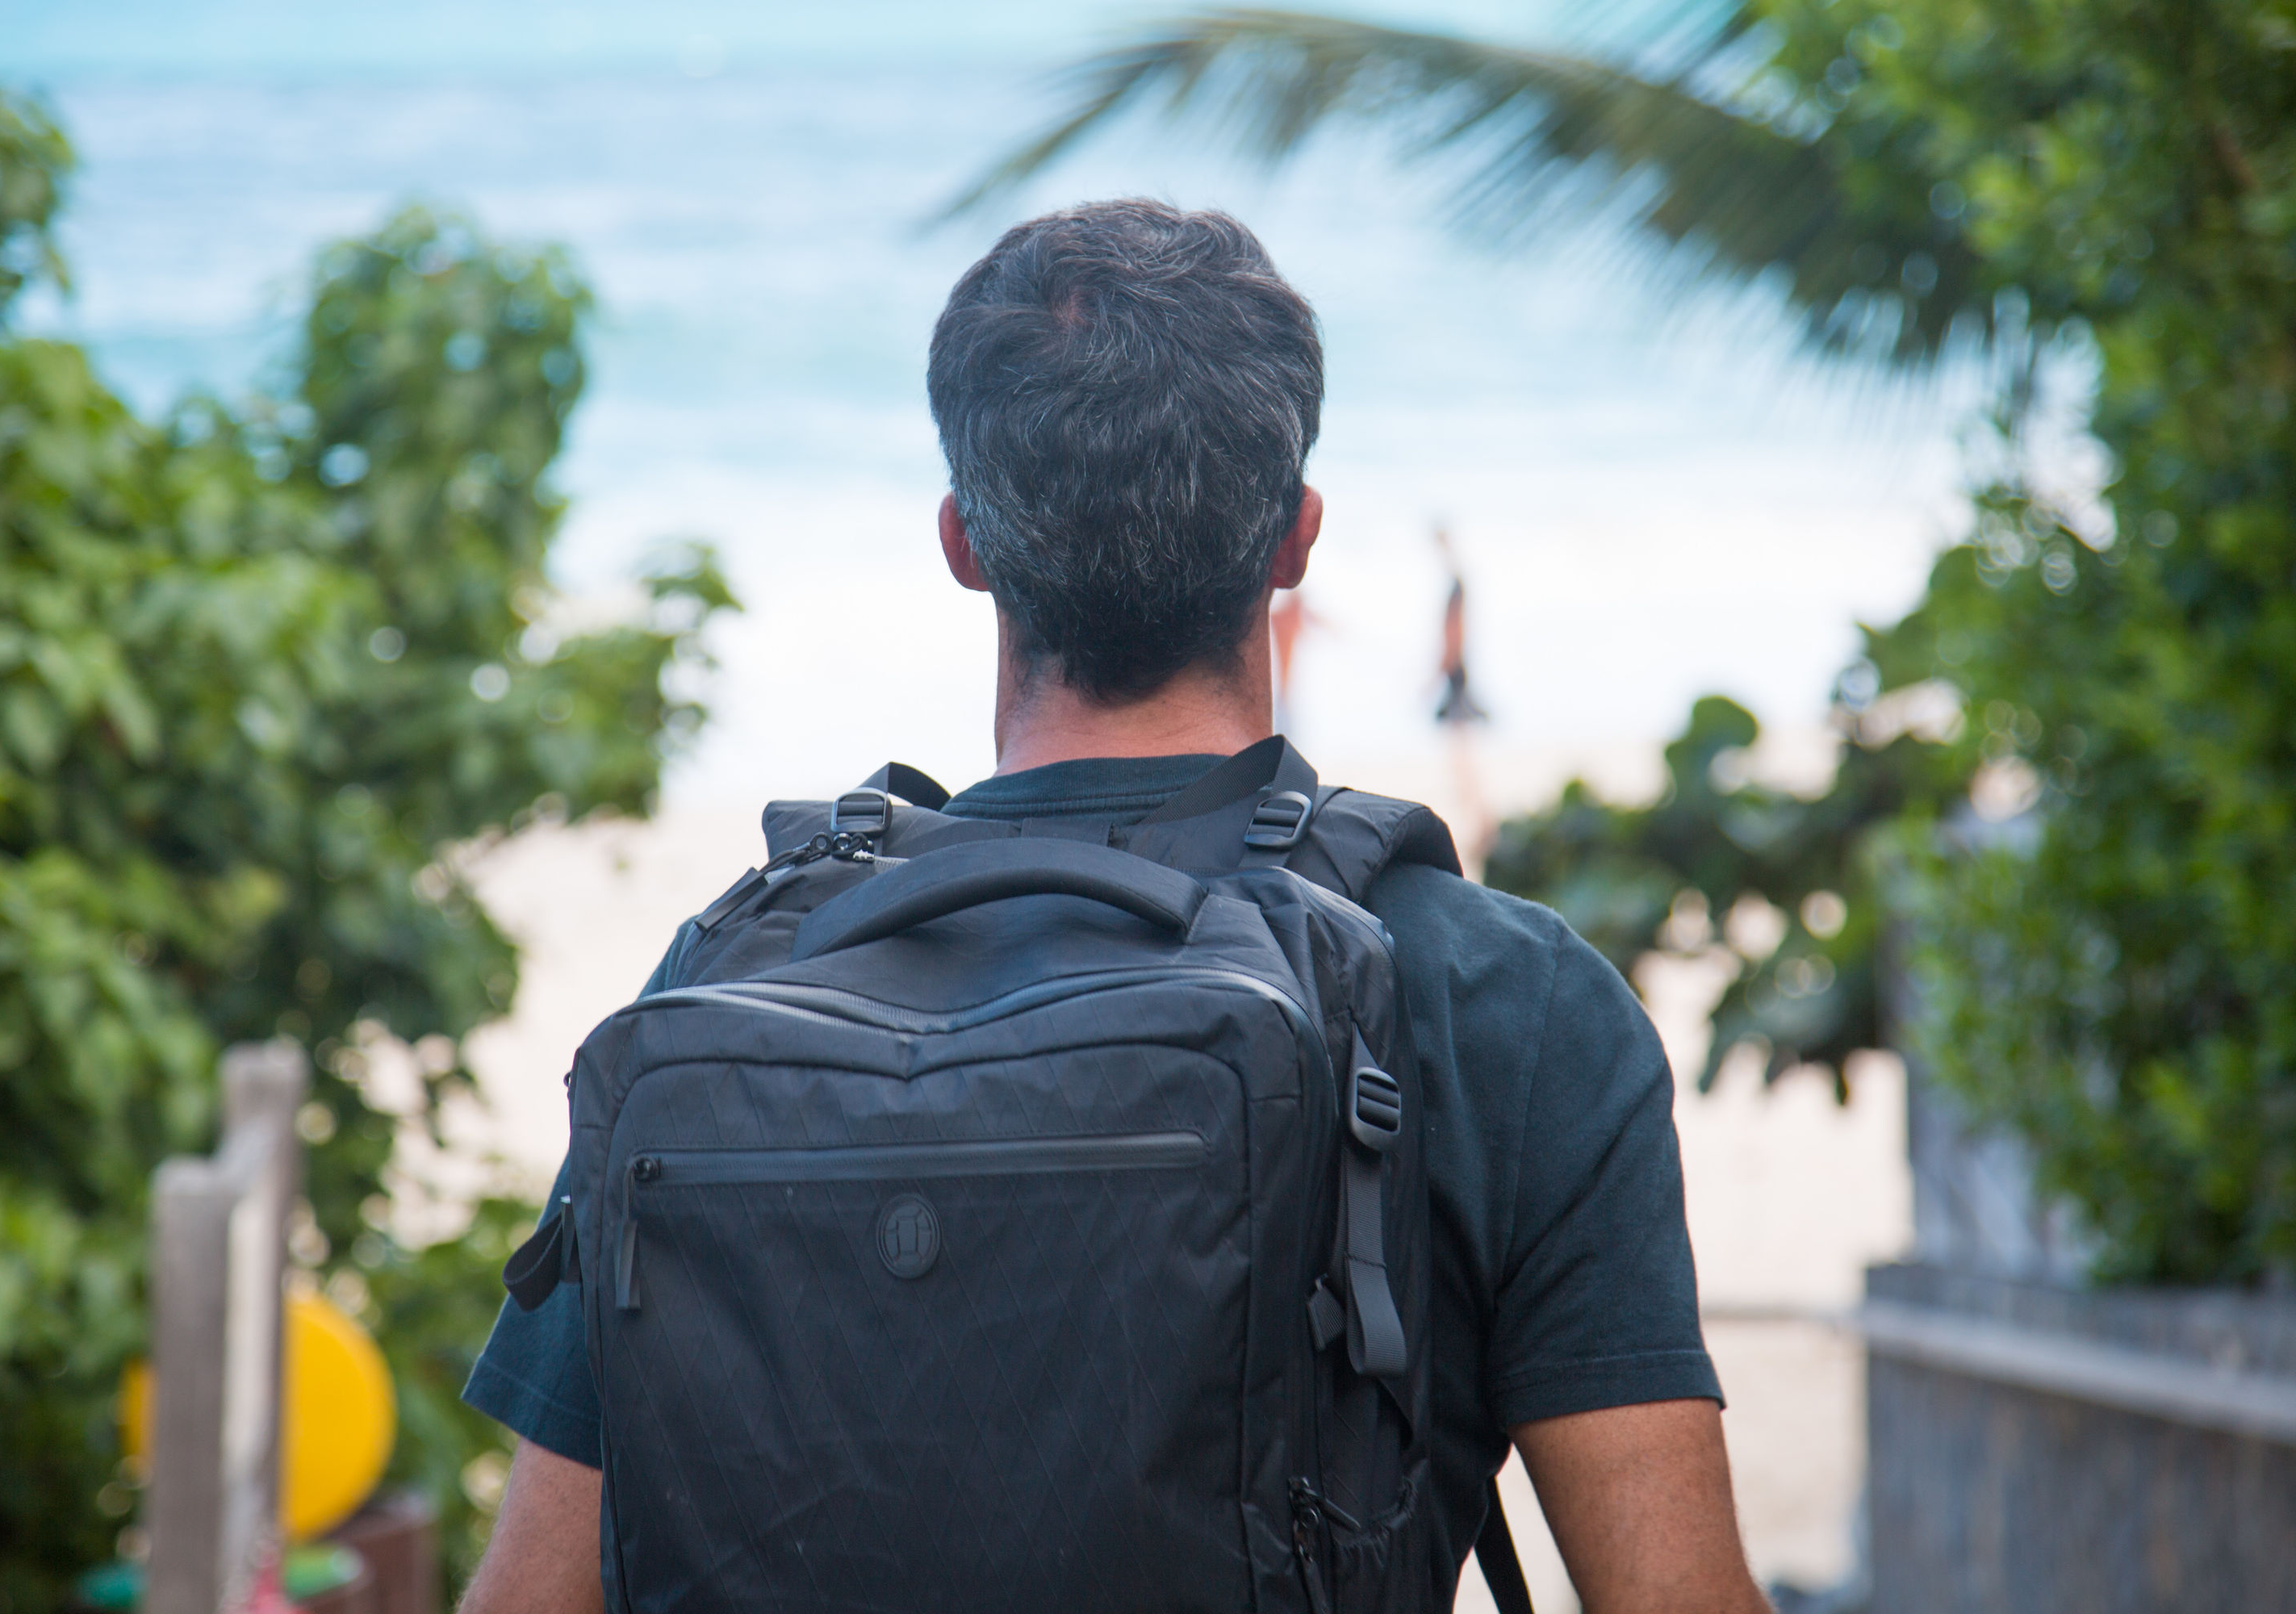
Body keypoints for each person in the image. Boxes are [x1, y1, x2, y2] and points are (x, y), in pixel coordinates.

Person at [456, 199, 1767, 1614]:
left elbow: (531, 1594)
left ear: (964, 544)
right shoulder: (1501, 995)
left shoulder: (740, 982)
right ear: (1296, 542)